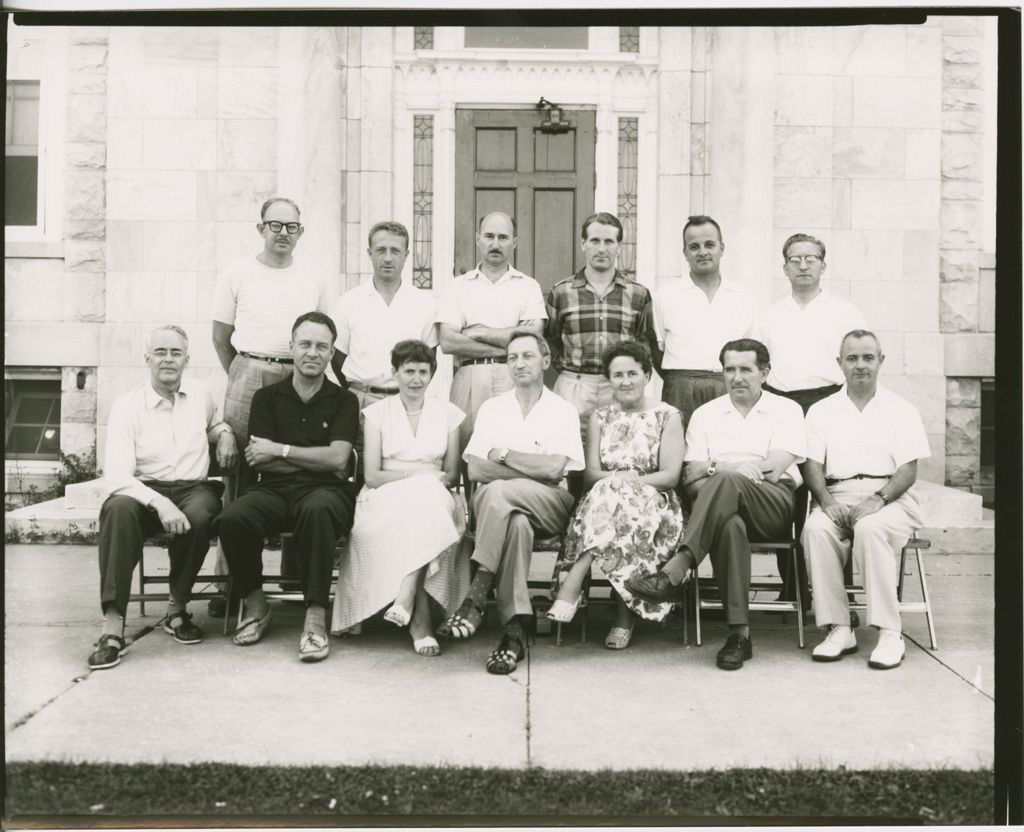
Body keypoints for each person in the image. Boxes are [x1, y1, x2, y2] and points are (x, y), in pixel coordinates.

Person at [626, 338, 805, 671]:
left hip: (772, 504)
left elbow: (774, 467)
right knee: (729, 524)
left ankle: (678, 567)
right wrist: (729, 469)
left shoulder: (787, 410)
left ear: (764, 372)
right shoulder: (706, 414)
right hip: (720, 509)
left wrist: (722, 469)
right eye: (729, 369)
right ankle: (739, 635)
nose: (737, 377)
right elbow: (691, 477)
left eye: (746, 369)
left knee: (724, 482)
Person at [88, 325, 237, 670]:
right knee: (117, 511)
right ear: (147, 358)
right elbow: (118, 476)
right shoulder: (127, 406)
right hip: (143, 491)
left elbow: (214, 424)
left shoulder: (201, 394)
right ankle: (112, 626)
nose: (168, 359)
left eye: (175, 353)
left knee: (201, 515)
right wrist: (159, 502)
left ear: (187, 358)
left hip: (194, 489)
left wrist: (225, 432)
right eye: (160, 352)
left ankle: (176, 609)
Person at [214, 312, 359, 663]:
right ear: (291, 347)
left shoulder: (344, 400)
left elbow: (338, 460)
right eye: (305, 344)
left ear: (331, 352)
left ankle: (315, 615)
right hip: (274, 490)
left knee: (318, 510)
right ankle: (256, 601)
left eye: (322, 346)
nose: (313, 352)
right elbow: (257, 459)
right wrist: (313, 457)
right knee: (232, 518)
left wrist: (281, 451)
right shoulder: (266, 397)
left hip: (327, 492)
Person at [209, 197, 330, 615]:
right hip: (250, 371)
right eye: (275, 225)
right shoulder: (238, 273)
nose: (283, 233)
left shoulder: (313, 276)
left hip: (299, 375)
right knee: (240, 474)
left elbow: (319, 332)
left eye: (291, 227)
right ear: (260, 227)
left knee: (298, 467)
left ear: (301, 232)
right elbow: (221, 337)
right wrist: (245, 373)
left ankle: (296, 576)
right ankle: (234, 585)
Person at [441, 330, 584, 675]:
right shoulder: (493, 408)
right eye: (512, 358)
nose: (518, 364)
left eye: (527, 356)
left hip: (551, 504)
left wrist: (503, 454)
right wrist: (530, 471)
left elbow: (555, 469)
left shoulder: (563, 409)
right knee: (515, 522)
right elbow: (475, 466)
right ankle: (514, 630)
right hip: (509, 510)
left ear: (546, 361)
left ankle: (480, 587)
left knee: (495, 491)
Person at [330, 340, 469, 657]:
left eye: (423, 371)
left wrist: (425, 482)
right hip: (385, 495)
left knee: (426, 501)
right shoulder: (377, 413)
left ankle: (407, 598)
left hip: (436, 494)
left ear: (432, 374)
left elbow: (451, 473)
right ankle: (418, 618)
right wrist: (416, 478)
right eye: (409, 371)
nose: (417, 379)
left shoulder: (449, 413)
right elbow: (374, 476)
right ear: (395, 372)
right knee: (422, 503)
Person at [802, 330, 930, 670]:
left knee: (871, 529)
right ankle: (839, 628)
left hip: (892, 498)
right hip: (838, 495)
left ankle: (890, 633)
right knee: (816, 530)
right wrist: (826, 501)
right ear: (840, 363)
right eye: (853, 358)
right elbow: (812, 465)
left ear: (881, 361)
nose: (861, 365)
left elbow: (908, 469)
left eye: (868, 357)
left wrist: (878, 499)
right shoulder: (821, 410)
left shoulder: (901, 409)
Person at [548, 340, 685, 649]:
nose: (625, 381)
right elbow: (590, 475)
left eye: (632, 373)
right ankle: (623, 617)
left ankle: (575, 579)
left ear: (647, 375)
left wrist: (629, 483)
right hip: (602, 501)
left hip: (654, 502)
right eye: (617, 375)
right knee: (612, 497)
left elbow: (670, 476)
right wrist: (617, 479)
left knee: (618, 500)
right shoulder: (600, 417)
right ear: (608, 380)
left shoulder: (668, 416)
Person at [759, 233, 867, 605]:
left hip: (830, 403)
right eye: (795, 259)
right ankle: (793, 588)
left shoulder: (845, 313)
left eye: (811, 258)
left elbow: (857, 361)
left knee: (831, 493)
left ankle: (839, 592)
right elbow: (761, 367)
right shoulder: (770, 316)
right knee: (790, 495)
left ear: (824, 264)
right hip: (784, 405)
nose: (803, 265)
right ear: (784, 267)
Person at [437, 212, 547, 449]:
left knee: (516, 445)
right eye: (489, 236)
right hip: (470, 376)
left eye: (503, 237)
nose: (495, 244)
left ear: (514, 242)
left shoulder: (528, 286)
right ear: (478, 239)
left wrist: (476, 332)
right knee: (467, 447)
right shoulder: (458, 286)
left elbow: (533, 338)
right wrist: (513, 337)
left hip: (514, 375)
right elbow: (448, 342)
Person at [545, 211, 658, 433]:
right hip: (574, 387)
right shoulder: (562, 292)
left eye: (609, 241)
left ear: (618, 246)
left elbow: (644, 346)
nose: (601, 248)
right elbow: (551, 341)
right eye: (595, 241)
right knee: (569, 454)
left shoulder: (638, 294)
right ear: (583, 244)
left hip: (619, 386)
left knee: (618, 451)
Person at [653, 215, 757, 428]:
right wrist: (682, 380)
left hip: (728, 384)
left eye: (709, 244)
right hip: (680, 387)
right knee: (680, 454)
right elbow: (657, 347)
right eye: (694, 246)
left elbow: (752, 350)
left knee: (728, 450)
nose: (702, 252)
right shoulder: (665, 296)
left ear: (722, 248)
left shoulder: (743, 296)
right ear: (685, 253)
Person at [329, 221, 438, 409]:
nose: (388, 258)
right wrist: (356, 391)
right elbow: (337, 357)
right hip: (360, 400)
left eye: (395, 251)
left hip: (407, 401)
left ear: (406, 255)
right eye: (381, 250)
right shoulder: (348, 302)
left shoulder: (425, 303)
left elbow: (430, 359)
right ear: (369, 253)